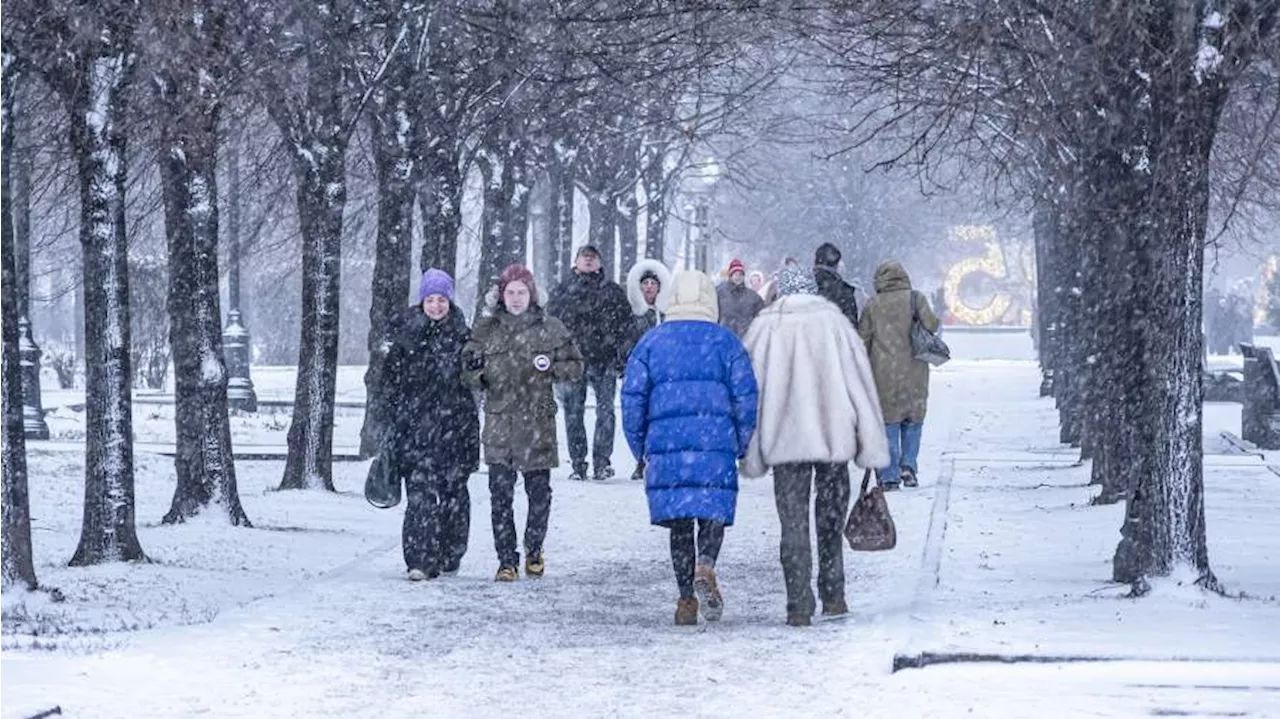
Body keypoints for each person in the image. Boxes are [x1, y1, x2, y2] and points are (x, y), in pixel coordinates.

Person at [741, 266, 888, 627]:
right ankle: (834, 594)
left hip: (785, 444)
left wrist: (751, 445)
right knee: (830, 521)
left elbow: (751, 392)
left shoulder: (764, 328)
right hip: (833, 440)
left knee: (792, 525)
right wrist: (869, 441)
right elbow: (860, 385)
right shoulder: (835, 324)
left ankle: (798, 603)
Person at [621, 270, 758, 626]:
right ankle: (706, 563)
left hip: (668, 448)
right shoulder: (726, 343)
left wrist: (641, 448)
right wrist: (741, 443)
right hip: (715, 442)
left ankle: (685, 600)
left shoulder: (652, 342)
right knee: (712, 511)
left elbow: (632, 399)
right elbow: (746, 397)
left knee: (680, 523)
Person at [463, 264, 584, 581]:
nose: (516, 298)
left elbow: (575, 365)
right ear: (501, 296)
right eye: (510, 292)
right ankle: (506, 560)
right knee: (500, 495)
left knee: (539, 493)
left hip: (537, 422)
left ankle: (534, 549)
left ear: (532, 294)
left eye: (522, 292)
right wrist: (481, 376)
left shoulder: (550, 328)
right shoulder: (486, 328)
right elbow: (466, 366)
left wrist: (552, 371)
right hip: (500, 423)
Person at [383, 268, 480, 581]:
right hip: (416, 430)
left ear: (449, 301)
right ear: (422, 300)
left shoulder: (465, 336)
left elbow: (474, 381)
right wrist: (396, 417)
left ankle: (451, 553)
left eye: (441, 299)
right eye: (430, 299)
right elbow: (389, 382)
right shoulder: (406, 335)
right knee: (420, 497)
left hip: (456, 427)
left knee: (454, 494)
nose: (436, 306)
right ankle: (420, 560)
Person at [547, 245, 633, 481]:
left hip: (604, 359)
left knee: (606, 412)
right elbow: (550, 325)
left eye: (593, 258)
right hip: (571, 360)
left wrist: (621, 354)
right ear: (575, 262)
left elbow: (626, 327)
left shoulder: (613, 292)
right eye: (584, 257)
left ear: (600, 263)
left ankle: (602, 461)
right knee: (573, 412)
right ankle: (578, 463)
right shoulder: (563, 291)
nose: (588, 261)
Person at [858, 261, 940, 490]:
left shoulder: (873, 305)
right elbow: (932, 325)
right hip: (915, 371)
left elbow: (862, 339)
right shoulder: (916, 299)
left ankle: (889, 475)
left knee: (888, 424)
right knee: (914, 421)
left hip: (883, 373)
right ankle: (909, 467)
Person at [624, 258, 674, 481]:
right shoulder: (630, 314)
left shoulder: (667, 314)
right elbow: (625, 341)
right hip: (639, 372)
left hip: (663, 373)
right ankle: (641, 459)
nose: (649, 287)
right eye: (645, 283)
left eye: (653, 283)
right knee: (639, 417)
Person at [812, 242, 862, 330]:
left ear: (815, 261)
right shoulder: (844, 291)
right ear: (836, 264)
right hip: (835, 341)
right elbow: (851, 328)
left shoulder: (804, 286)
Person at [716, 258, 764, 339]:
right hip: (725, 337)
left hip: (747, 339)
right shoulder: (719, 294)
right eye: (735, 274)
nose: (738, 277)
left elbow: (761, 317)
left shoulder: (753, 297)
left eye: (740, 274)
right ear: (730, 276)